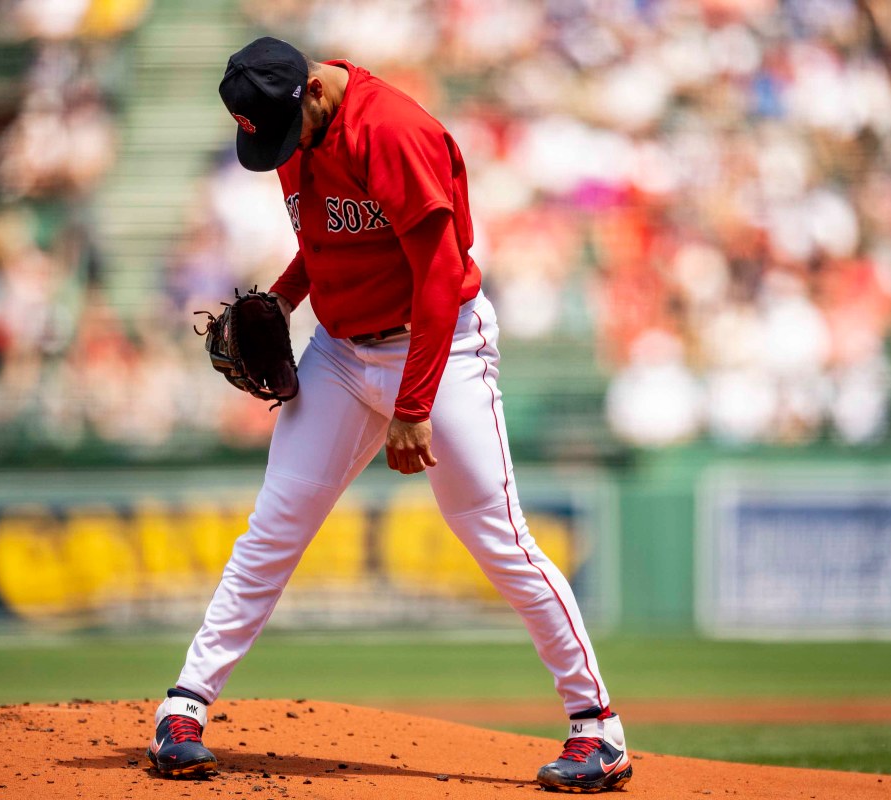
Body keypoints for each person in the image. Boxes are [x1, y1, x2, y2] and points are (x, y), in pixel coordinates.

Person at [145, 37, 630, 794]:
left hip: (439, 347)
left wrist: (413, 406)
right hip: (341, 351)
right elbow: (325, 242)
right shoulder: (294, 129)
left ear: (311, 91)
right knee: (275, 523)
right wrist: (282, 299)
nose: (276, 149)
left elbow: (438, 274)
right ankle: (185, 705)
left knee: (497, 537)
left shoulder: (391, 130)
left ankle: (597, 724)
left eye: (279, 129)